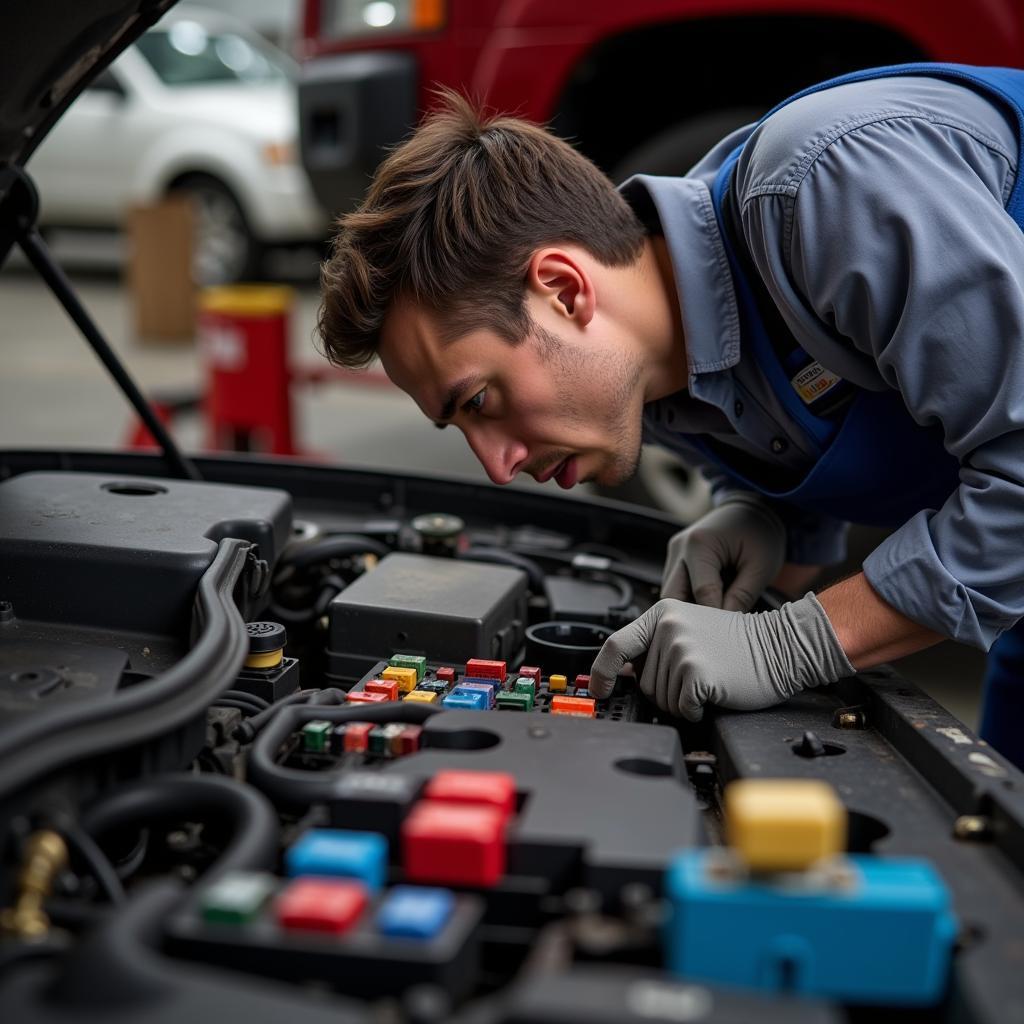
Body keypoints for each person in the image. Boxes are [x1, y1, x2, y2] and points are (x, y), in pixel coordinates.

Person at [317, 64, 1024, 767]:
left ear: (564, 290)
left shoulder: (825, 188)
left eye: (479, 401)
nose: (497, 467)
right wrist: (766, 517)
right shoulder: (647, 380)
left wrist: (794, 644)